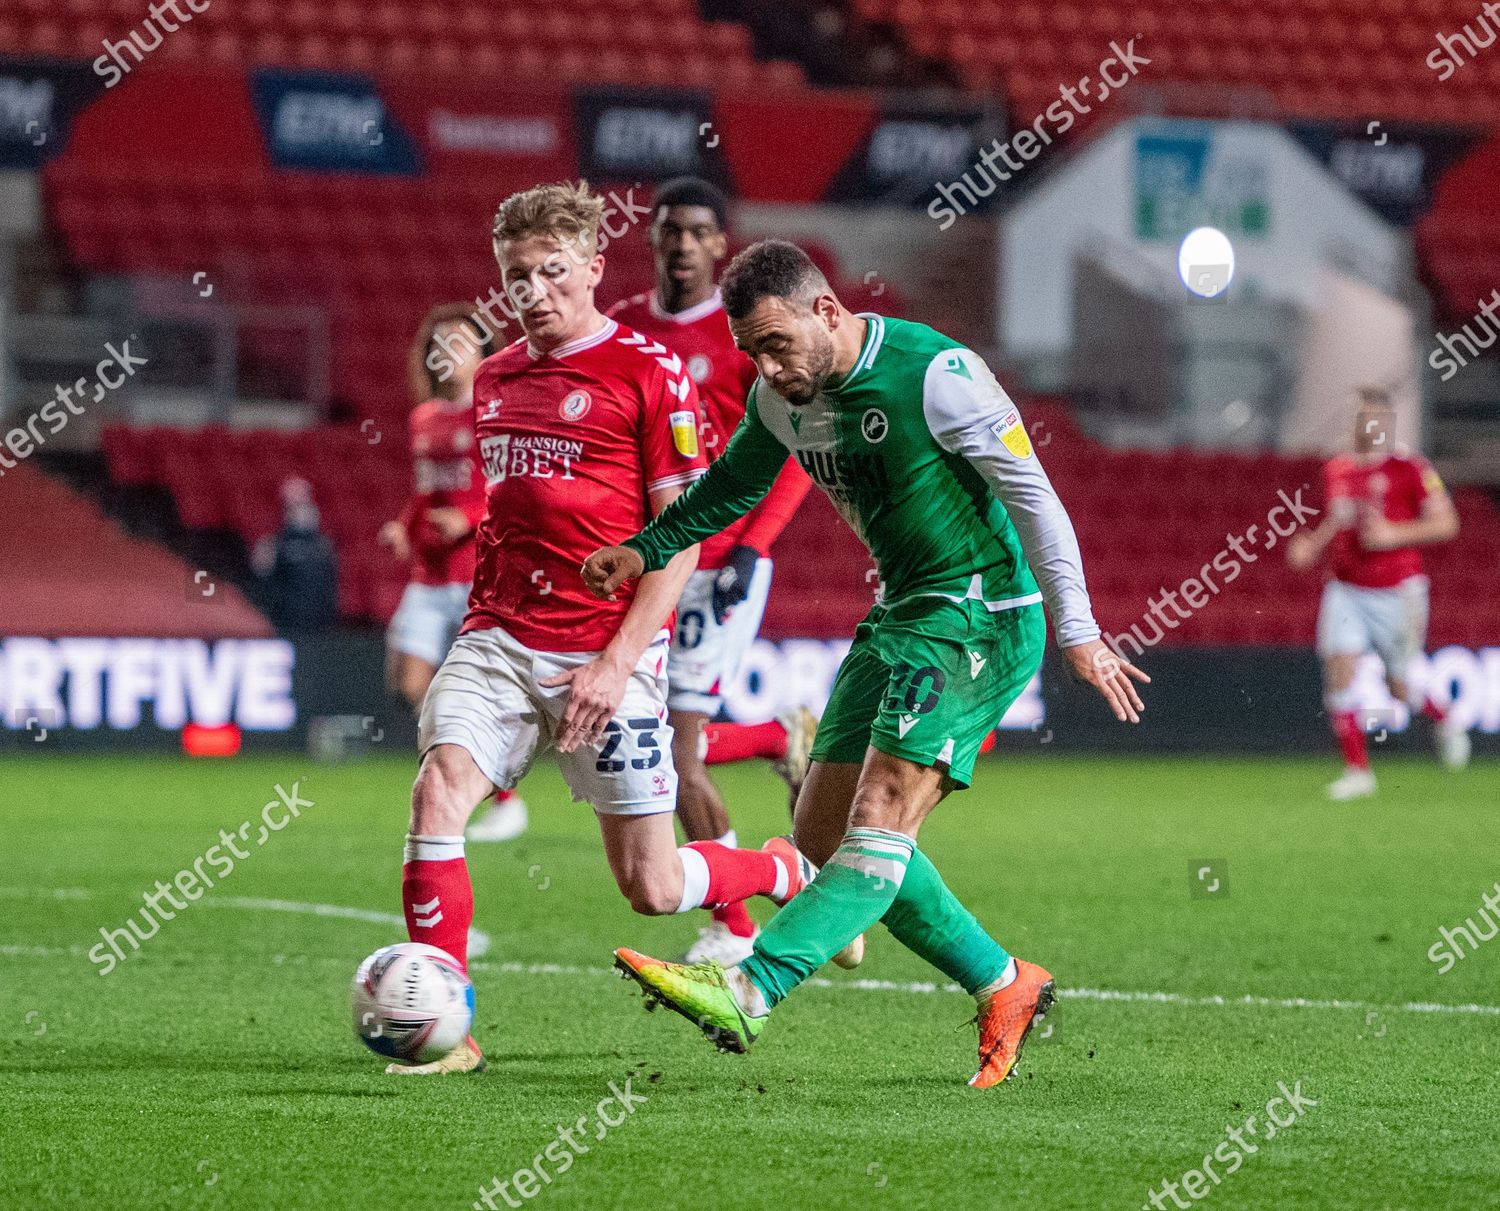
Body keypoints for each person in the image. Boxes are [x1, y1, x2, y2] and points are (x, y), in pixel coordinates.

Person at [584, 240, 1148, 1087]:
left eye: (776, 345)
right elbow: (731, 487)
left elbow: (1035, 495)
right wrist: (645, 548)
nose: (767, 368)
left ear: (827, 311)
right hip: (898, 614)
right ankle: (1005, 981)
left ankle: (751, 984)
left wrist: (1079, 628)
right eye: (751, 353)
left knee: (880, 811)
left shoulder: (937, 373)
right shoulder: (780, 398)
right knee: (825, 841)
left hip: (980, 617)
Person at [388, 186, 819, 1076]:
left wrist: (617, 664)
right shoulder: (498, 377)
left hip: (606, 649)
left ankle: (774, 869)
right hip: (499, 638)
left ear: (592, 268)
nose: (536, 290)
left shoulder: (649, 375)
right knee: (436, 796)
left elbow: (682, 538)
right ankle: (448, 1027)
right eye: (518, 276)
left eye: (553, 271)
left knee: (652, 888)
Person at [608, 178, 816, 965]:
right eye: (671, 229)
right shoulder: (621, 330)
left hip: (722, 559)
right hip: (654, 556)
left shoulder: (742, 336)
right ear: (654, 238)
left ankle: (736, 923)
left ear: (722, 244)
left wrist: (756, 544)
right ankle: (777, 735)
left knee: (674, 752)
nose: (684, 244)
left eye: (699, 231)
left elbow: (794, 443)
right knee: (633, 732)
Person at [379, 304, 526, 843]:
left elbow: (513, 487)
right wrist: (403, 525)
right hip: (428, 573)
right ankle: (460, 773)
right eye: (438, 344)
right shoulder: (424, 418)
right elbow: (424, 494)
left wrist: (468, 518)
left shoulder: (494, 413)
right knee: (410, 683)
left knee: (480, 690)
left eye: (460, 343)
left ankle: (499, 797)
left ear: (483, 353)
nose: (448, 354)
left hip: (475, 575)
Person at [1288, 388, 1468, 800]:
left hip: (1397, 592)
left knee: (1398, 685)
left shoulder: (1412, 468)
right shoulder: (1336, 469)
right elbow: (1335, 520)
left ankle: (1444, 716)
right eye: (1362, 417)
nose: (1370, 426)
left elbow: (1447, 524)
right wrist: (1310, 545)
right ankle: (1358, 772)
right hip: (1346, 587)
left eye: (1377, 418)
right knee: (1339, 669)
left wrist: (1394, 534)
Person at [254, 476, 337, 631]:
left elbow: (330, 586)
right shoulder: (272, 543)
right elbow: (263, 581)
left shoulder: (323, 545)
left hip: (319, 623)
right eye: (294, 502)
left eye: (303, 499)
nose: (301, 507)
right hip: (284, 622)